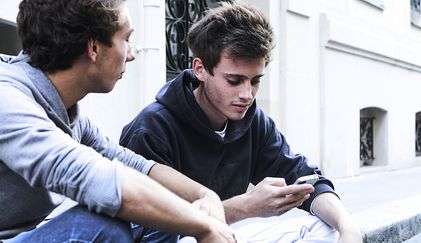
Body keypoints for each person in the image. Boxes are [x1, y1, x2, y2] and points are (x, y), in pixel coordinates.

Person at [120, 2, 362, 242]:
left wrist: (348, 227)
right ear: (200, 69)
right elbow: (147, 233)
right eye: (234, 80)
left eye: (255, 81)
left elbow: (302, 176)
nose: (247, 94)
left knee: (324, 227)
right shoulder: (151, 129)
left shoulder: (252, 120)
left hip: (226, 236)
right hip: (182, 240)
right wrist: (245, 207)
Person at [0, 0, 237, 242]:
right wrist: (203, 227)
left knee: (163, 211)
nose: (131, 54)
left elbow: (132, 164)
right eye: (126, 39)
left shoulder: (68, 111)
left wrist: (205, 195)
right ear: (93, 47)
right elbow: (95, 178)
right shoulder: (8, 99)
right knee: (98, 226)